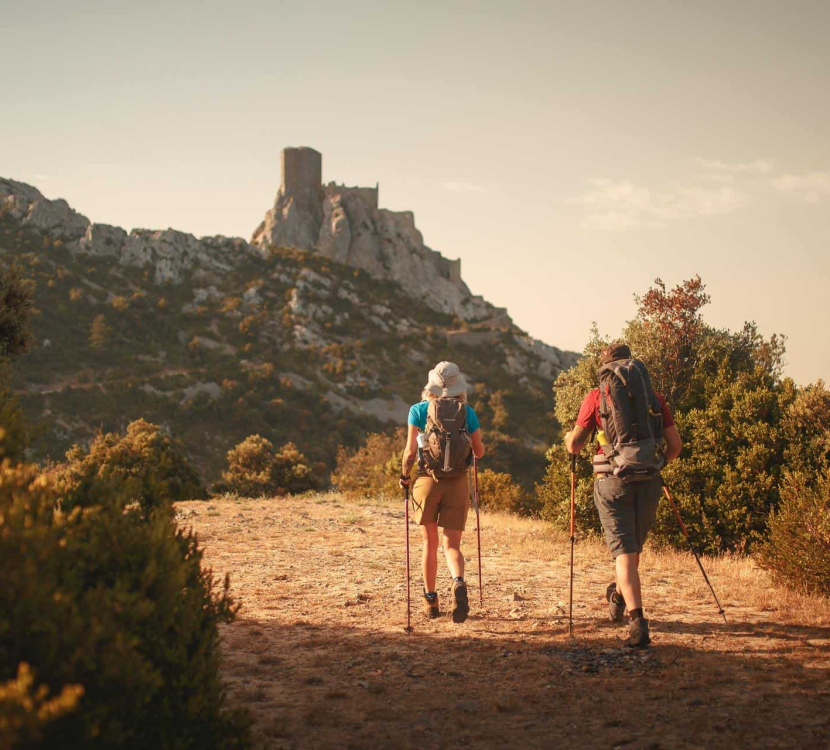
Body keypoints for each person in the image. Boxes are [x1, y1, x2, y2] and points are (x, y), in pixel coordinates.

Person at [564, 342, 682, 647]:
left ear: (605, 368)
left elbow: (575, 445)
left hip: (612, 482)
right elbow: (675, 447)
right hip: (649, 480)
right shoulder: (653, 398)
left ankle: (638, 622)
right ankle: (617, 595)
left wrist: (568, 439)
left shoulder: (596, 396)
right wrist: (656, 464)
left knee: (625, 554)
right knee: (632, 552)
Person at [399, 361, 485, 623]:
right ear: (458, 386)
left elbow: (410, 452)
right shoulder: (467, 412)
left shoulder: (418, 410)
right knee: (452, 545)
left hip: (428, 480)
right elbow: (480, 452)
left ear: (432, 386)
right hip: (457, 482)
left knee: (429, 543)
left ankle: (431, 600)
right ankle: (458, 581)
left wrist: (404, 476)